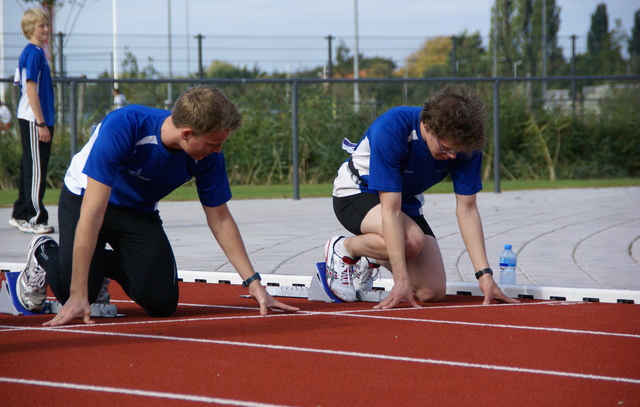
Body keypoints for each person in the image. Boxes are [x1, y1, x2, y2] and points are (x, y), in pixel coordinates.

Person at [16, 85, 299, 326]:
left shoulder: (208, 156)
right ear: (187, 133)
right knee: (75, 292)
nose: (218, 151)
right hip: (85, 198)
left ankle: (97, 266)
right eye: (213, 144)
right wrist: (78, 294)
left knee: (162, 303)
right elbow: (92, 214)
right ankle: (45, 252)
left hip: (138, 211)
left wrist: (254, 283)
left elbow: (221, 219)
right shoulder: (124, 126)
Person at [324, 84, 518, 308]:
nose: (452, 156)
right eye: (446, 148)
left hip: (403, 202)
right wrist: (401, 279)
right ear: (429, 127)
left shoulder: (463, 147)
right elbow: (390, 210)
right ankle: (344, 248)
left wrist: (485, 276)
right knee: (411, 241)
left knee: (431, 292)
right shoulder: (393, 127)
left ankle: (371, 255)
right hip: (357, 193)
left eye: (457, 151)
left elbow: (467, 209)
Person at [9, 8, 55, 235]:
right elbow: (29, 87)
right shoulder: (34, 53)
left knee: (29, 167)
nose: (46, 29)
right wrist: (40, 123)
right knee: (37, 169)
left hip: (32, 118)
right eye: (41, 26)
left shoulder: (35, 52)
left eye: (47, 25)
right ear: (30, 29)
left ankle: (20, 213)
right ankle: (34, 217)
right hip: (34, 119)